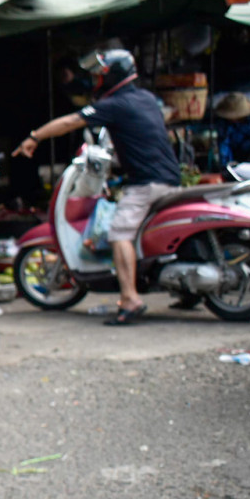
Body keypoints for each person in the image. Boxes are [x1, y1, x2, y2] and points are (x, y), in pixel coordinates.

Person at [14, 49, 181, 325]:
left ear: (111, 75)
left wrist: (34, 137)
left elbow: (71, 122)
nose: (94, 79)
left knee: (119, 234)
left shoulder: (114, 105)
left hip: (147, 184)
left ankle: (129, 299)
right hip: (168, 177)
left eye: (98, 74)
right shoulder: (146, 99)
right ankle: (185, 292)